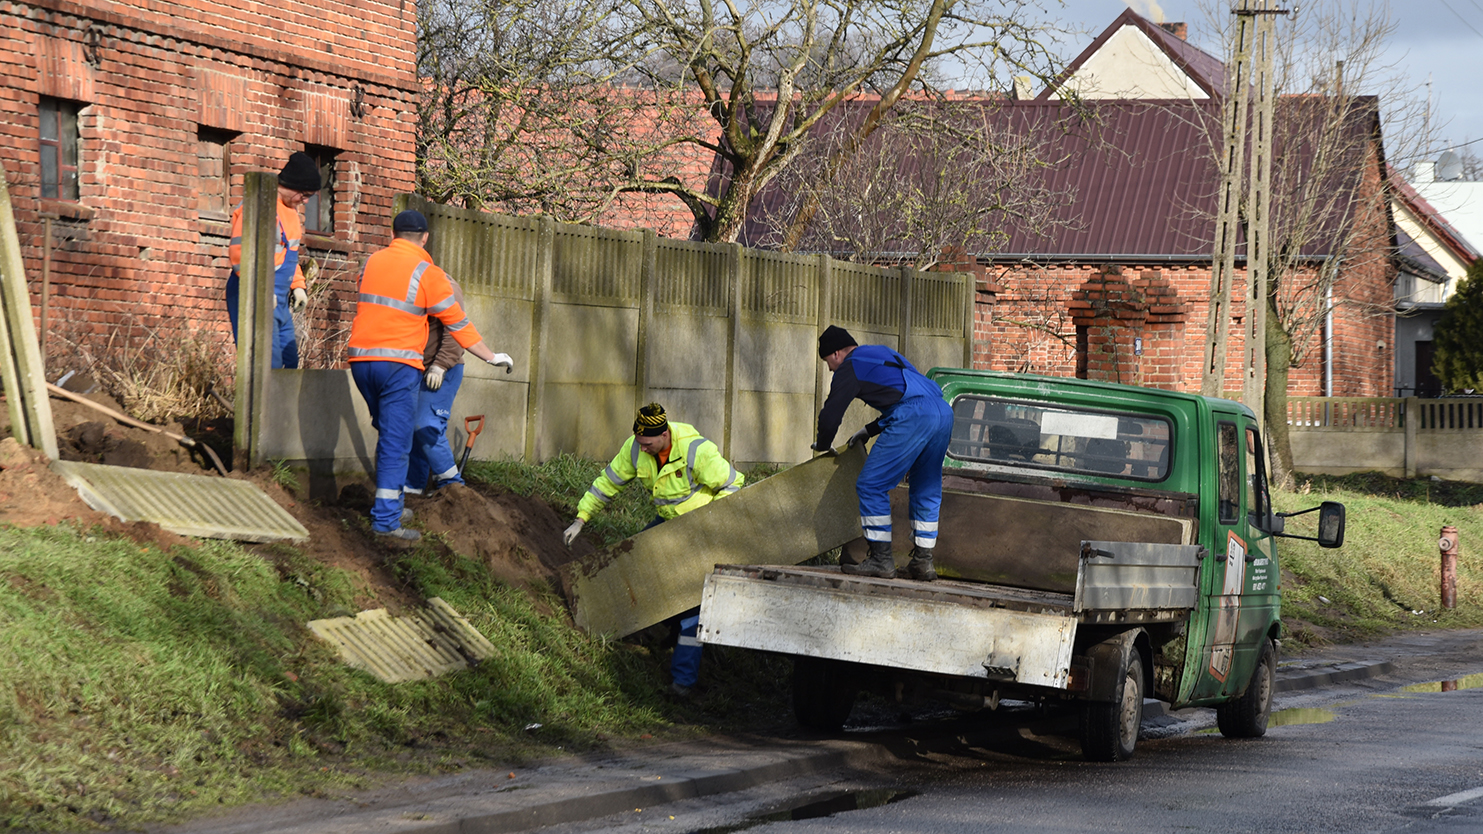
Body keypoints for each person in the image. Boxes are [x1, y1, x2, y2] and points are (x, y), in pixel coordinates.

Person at [348, 209, 514, 542]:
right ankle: (386, 523)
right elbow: (458, 324)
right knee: (397, 442)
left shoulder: (371, 263)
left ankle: (394, 504)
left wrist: (439, 365)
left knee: (390, 432)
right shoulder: (429, 273)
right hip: (399, 366)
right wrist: (491, 356)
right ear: (425, 238)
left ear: (393, 233)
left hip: (361, 360)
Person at [562, 403, 744, 696]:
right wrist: (580, 519)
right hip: (667, 525)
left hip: (700, 532)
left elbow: (734, 484)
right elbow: (607, 483)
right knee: (634, 563)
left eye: (648, 444)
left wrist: (711, 526)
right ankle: (634, 626)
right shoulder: (635, 448)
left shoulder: (696, 450)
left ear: (664, 435)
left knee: (692, 606)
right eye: (639, 442)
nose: (642, 449)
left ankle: (682, 683)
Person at [811, 325, 953, 581]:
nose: (830, 369)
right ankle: (923, 562)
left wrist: (823, 444)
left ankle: (880, 560)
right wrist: (869, 429)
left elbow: (831, 415)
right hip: (942, 412)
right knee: (925, 487)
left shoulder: (849, 366)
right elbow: (907, 394)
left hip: (915, 415)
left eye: (827, 363)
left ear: (835, 354)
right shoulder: (883, 352)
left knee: (871, 485)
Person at [227, 151, 319, 369]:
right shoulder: (260, 206)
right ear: (290, 185)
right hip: (252, 294)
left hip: (278, 300)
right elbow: (240, 254)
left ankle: (280, 404)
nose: (305, 201)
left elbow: (291, 256)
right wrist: (260, 291)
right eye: (304, 195)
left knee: (290, 363)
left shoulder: (292, 214)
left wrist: (298, 286)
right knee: (267, 367)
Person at [404, 274, 472, 496]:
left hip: (444, 368)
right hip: (418, 367)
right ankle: (413, 487)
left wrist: (440, 365)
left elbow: (456, 328)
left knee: (426, 425)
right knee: (412, 429)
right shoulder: (408, 283)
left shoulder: (446, 286)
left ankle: (452, 485)